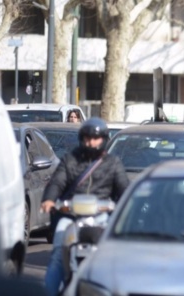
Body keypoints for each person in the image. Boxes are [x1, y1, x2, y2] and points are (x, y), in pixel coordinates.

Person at [41, 118, 129, 296]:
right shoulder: (69, 159)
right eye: (87, 138)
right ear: (81, 139)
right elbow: (57, 182)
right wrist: (49, 199)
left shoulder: (113, 163)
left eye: (96, 138)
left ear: (104, 139)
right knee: (58, 254)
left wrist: (127, 207)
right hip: (70, 217)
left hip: (102, 218)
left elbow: (124, 188)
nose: (91, 142)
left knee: (111, 256)